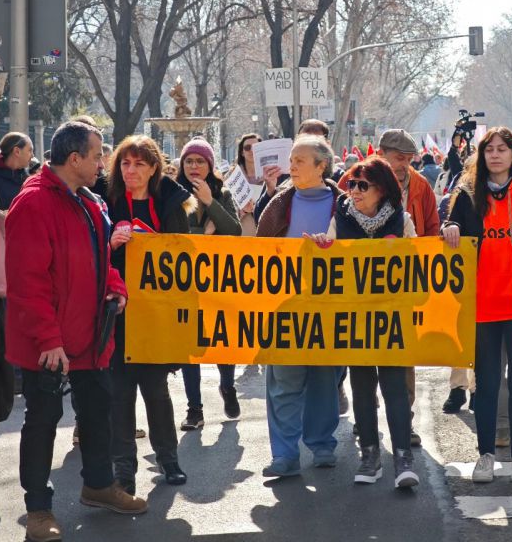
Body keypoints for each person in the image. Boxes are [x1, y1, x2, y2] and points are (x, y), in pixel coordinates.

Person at [5, 121, 146, 542]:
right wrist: (49, 340)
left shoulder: (92, 202)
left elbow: (103, 260)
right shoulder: (32, 204)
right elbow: (28, 283)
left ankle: (99, 486)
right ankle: (38, 509)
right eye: (98, 154)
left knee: (98, 413)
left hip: (91, 338)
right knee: (42, 423)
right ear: (74, 159)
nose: (104, 162)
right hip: (49, 345)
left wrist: (116, 289)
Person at [442, 126, 512, 488]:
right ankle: (485, 455)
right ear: (481, 155)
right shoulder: (466, 194)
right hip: (481, 309)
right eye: (488, 149)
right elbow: (452, 227)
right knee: (487, 386)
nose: (495, 154)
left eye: (502, 148)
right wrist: (449, 227)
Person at [307, 156, 420, 488]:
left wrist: (402, 249)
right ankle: (370, 455)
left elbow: (419, 264)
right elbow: (329, 255)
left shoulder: (402, 221)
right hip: (354, 317)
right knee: (361, 386)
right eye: (351, 184)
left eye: (362, 185)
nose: (353, 191)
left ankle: (402, 457)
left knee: (394, 386)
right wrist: (321, 247)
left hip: (390, 316)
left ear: (381, 190)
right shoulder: (339, 218)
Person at [339, 129, 440, 446]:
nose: (405, 166)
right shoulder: (354, 179)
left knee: (401, 363)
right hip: (358, 297)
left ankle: (404, 423)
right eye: (399, 159)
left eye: (410, 160)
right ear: (382, 153)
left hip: (400, 293)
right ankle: (365, 423)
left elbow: (431, 229)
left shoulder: (421, 186)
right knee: (362, 367)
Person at [106, 135, 193, 494]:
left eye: (139, 164)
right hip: (118, 313)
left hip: (157, 314)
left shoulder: (170, 203)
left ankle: (168, 460)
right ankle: (124, 470)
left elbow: (184, 256)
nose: (131, 170)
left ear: (154, 168)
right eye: (125, 164)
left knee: (156, 391)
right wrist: (111, 244)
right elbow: (92, 254)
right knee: (120, 393)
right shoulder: (106, 202)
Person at [256, 135, 344, 477]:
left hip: (329, 308)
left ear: (322, 166)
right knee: (283, 382)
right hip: (285, 309)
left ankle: (322, 444)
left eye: (300, 161)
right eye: (291, 160)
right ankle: (284, 455)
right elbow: (259, 255)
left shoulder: (345, 204)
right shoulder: (278, 205)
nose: (291, 166)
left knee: (325, 378)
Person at [175, 139, 242, 430]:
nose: (193, 166)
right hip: (185, 284)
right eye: (189, 161)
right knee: (189, 347)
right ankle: (194, 409)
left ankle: (228, 387)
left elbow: (235, 231)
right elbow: (175, 235)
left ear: (210, 165)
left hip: (218, 283)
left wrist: (209, 202)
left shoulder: (222, 193)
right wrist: (205, 231)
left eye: (199, 161)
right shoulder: (173, 193)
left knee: (221, 343)